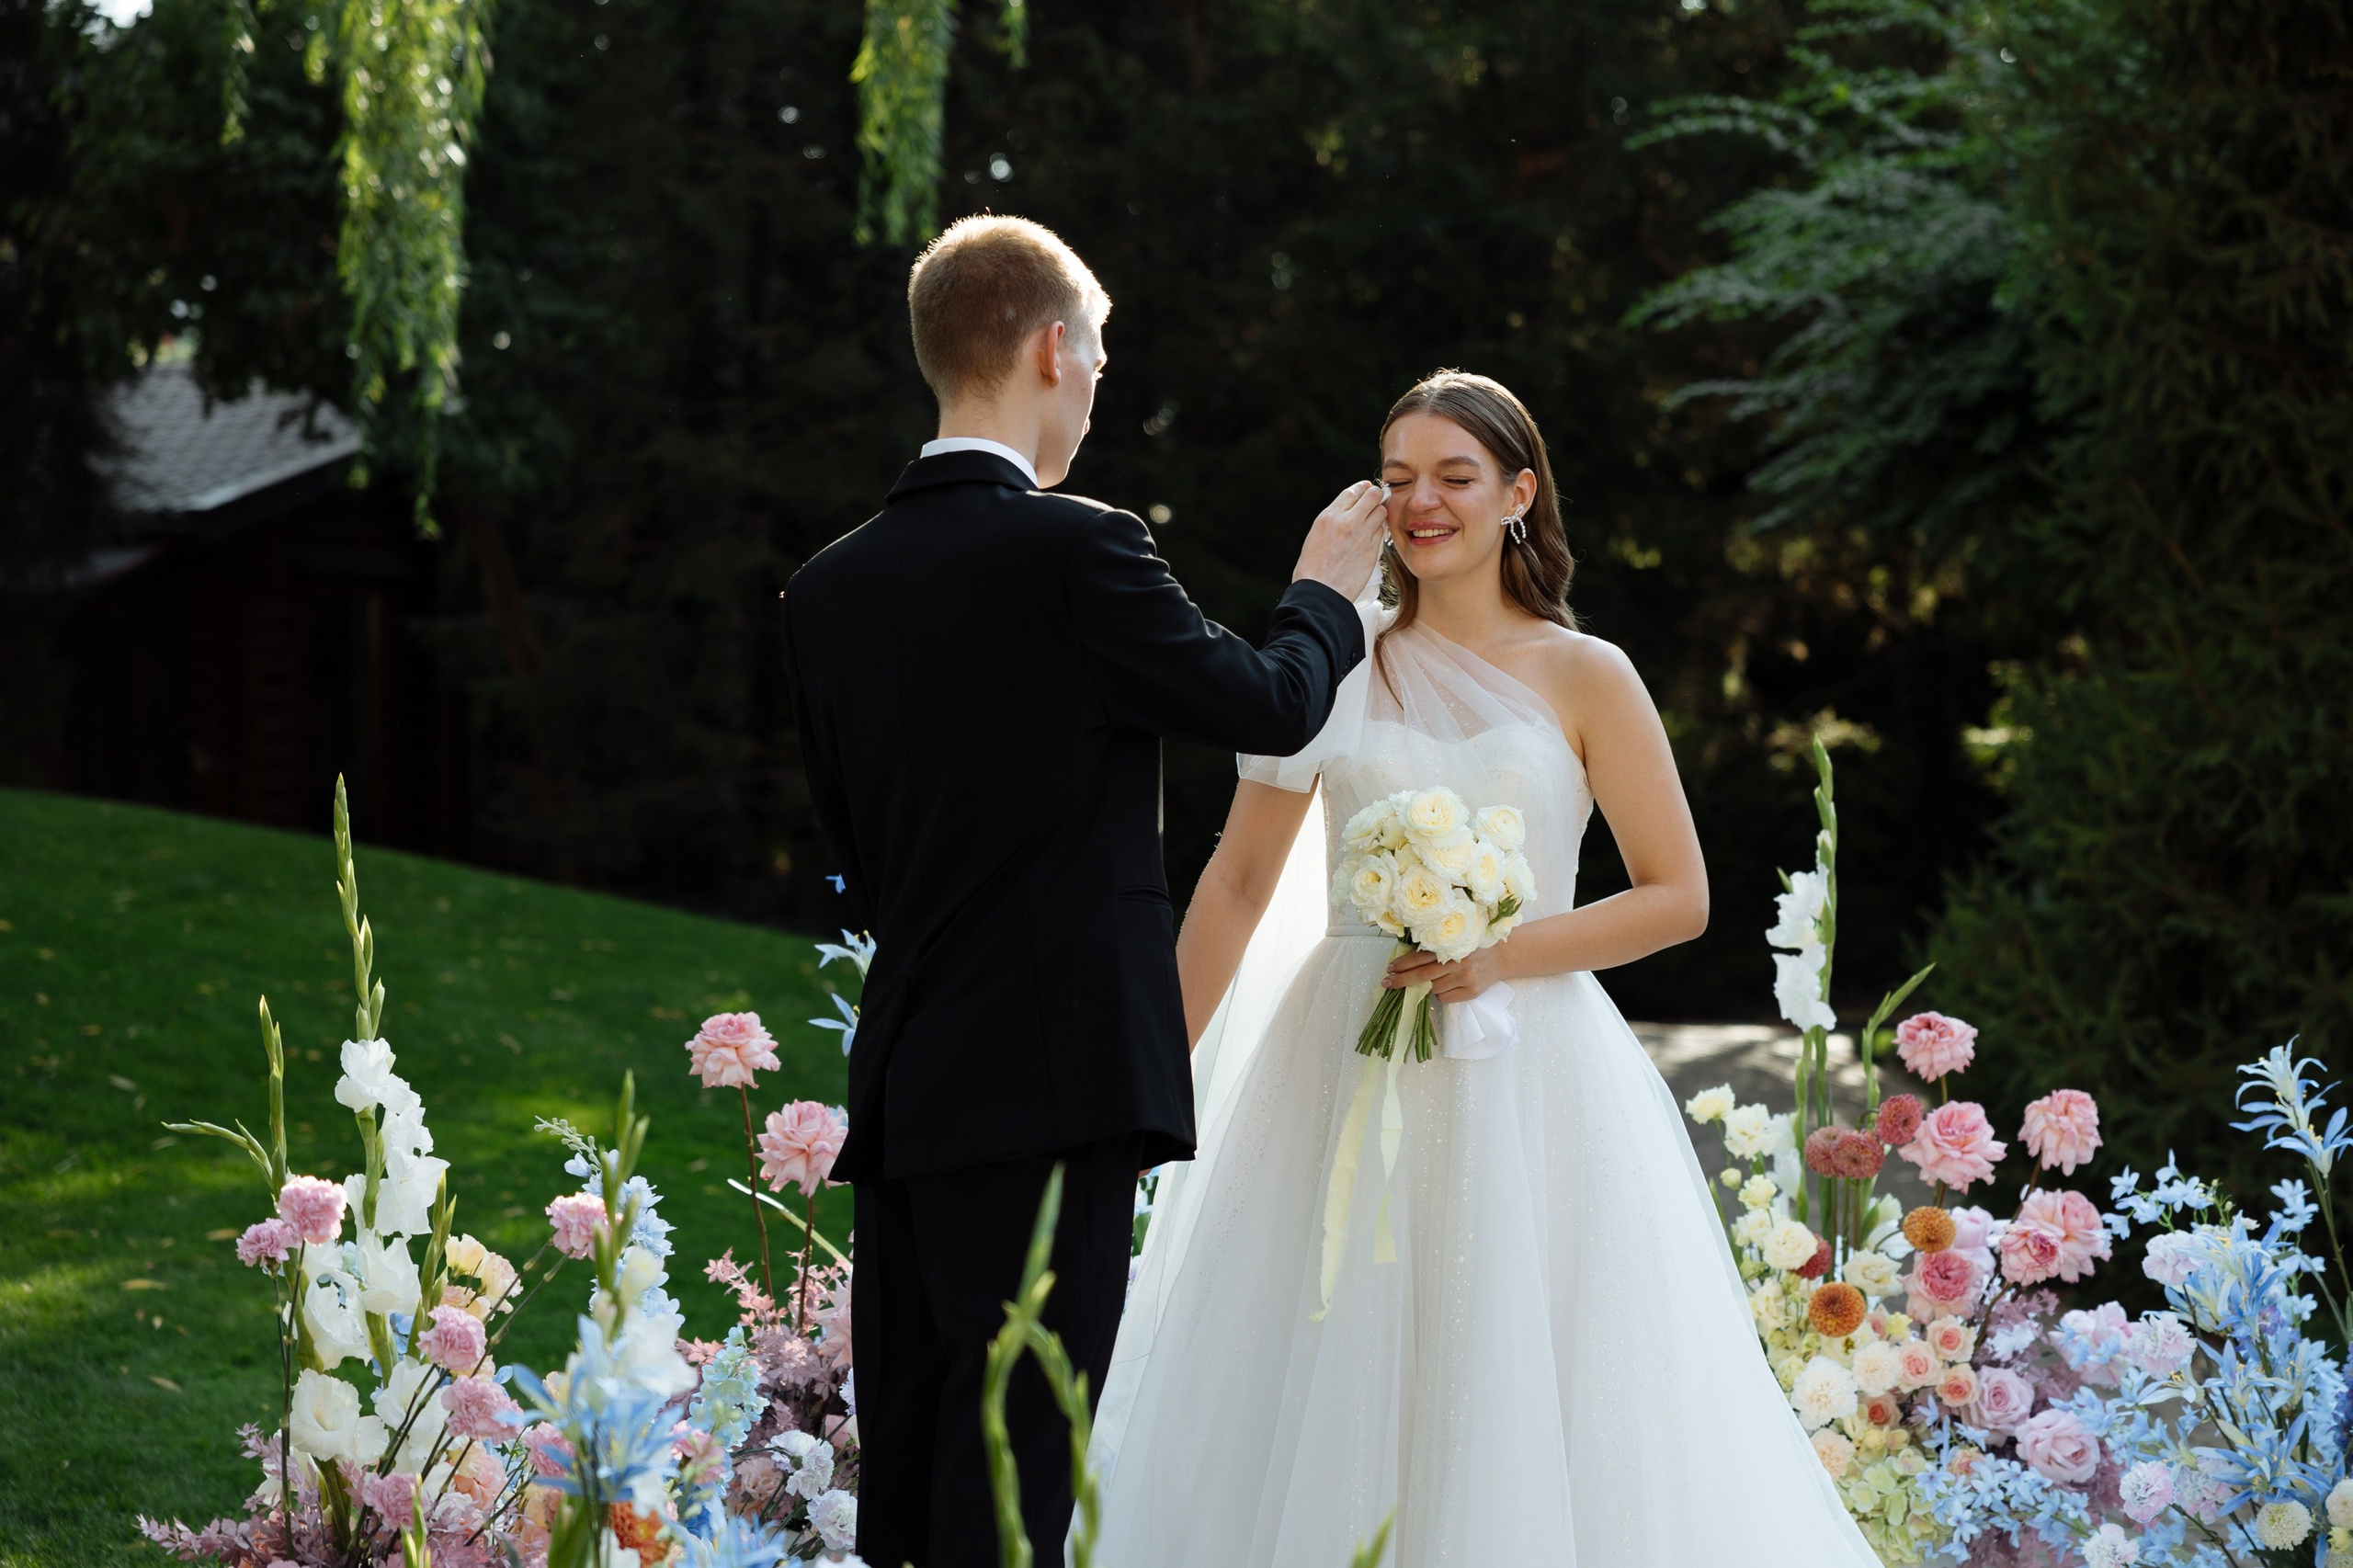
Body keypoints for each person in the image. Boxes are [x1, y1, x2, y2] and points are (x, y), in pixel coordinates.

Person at [1088, 370, 1884, 1566]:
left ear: (1519, 493)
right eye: (1398, 477)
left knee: (1525, 1370)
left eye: (1455, 477)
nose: (1422, 502)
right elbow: (1240, 884)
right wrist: (1148, 1079)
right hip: (1342, 1065)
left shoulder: (1588, 673)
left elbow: (1678, 896)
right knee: (1327, 1366)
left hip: (1533, 1076)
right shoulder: (1333, 664)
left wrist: (1501, 953)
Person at [779, 214, 1387, 1568]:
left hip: (910, 1086)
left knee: (915, 1483)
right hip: (1055, 1093)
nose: (1098, 391)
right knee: (1020, 1476)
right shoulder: (1080, 548)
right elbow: (1271, 703)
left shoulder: (824, 591)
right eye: (1101, 363)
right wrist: (1323, 594)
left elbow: (861, 861)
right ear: (1053, 350)